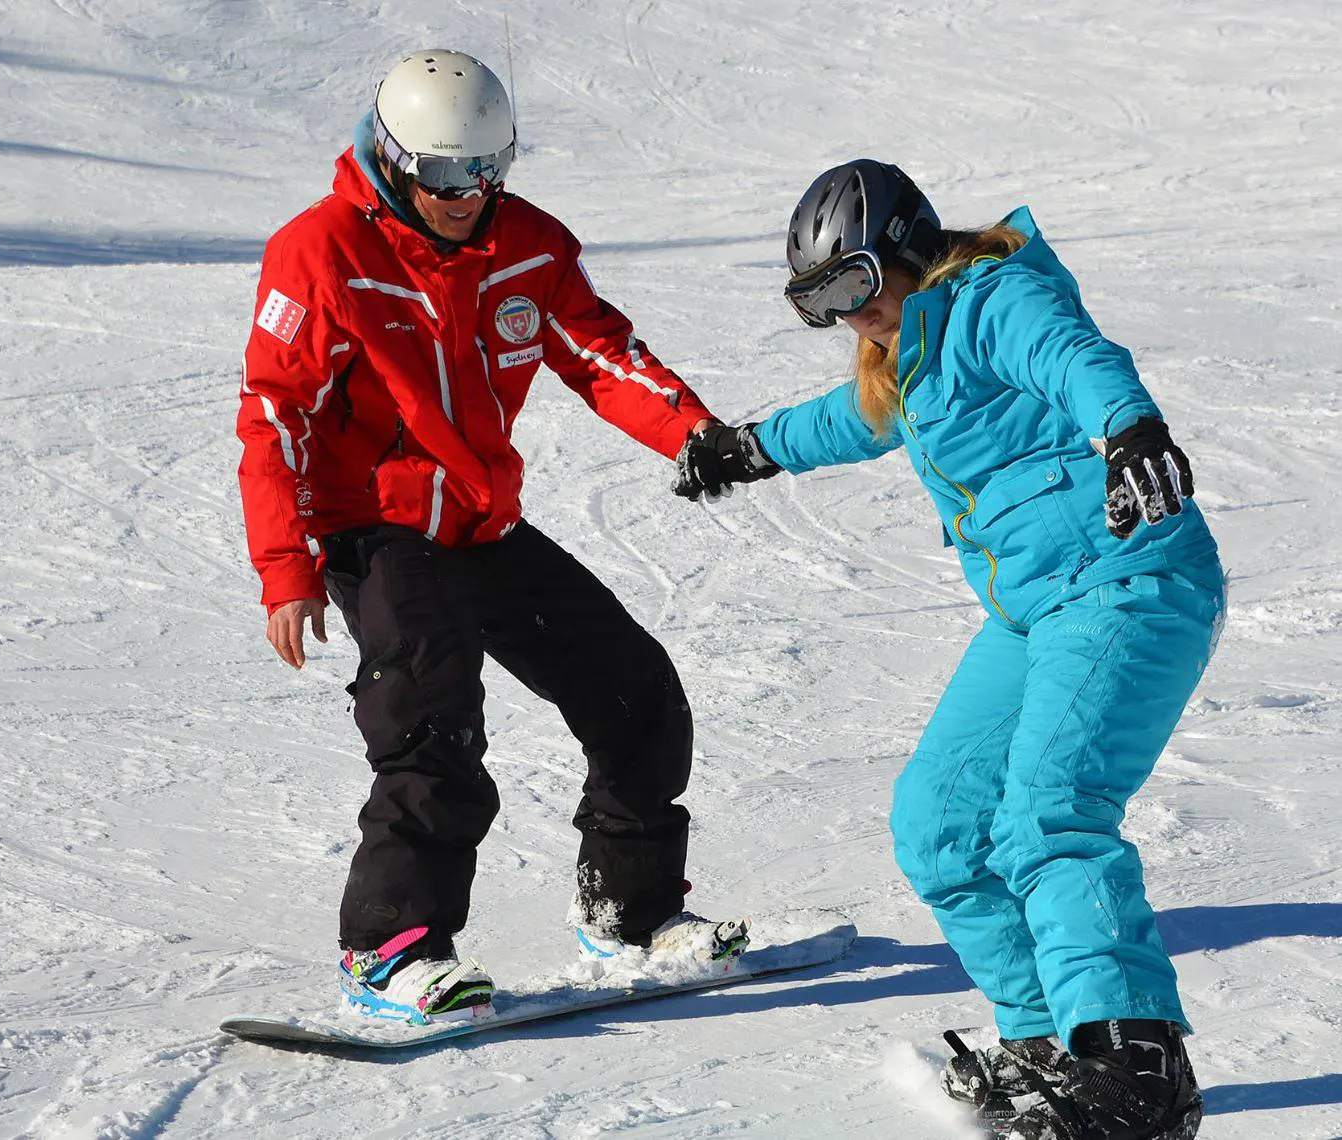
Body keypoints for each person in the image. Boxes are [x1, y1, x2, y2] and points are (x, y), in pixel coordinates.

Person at [677, 160, 1221, 1140]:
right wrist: (751, 446)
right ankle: (1046, 1047)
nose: (846, 317)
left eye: (850, 286)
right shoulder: (909, 361)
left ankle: (1135, 1072)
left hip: (1124, 579)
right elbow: (851, 420)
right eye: (818, 303)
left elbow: (1074, 358)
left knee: (1049, 815)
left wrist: (1129, 428)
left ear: (902, 247)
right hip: (1035, 608)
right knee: (938, 822)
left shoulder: (993, 297)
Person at [237, 49, 748, 1025]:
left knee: (636, 691)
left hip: (478, 518)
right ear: (392, 159)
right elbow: (276, 417)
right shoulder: (321, 253)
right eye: (442, 175)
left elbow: (601, 353)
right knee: (433, 720)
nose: (468, 195)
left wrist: (693, 433)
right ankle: (391, 948)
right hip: (372, 524)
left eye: (489, 168)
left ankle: (629, 909)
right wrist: (284, 568)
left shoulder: (527, 244)